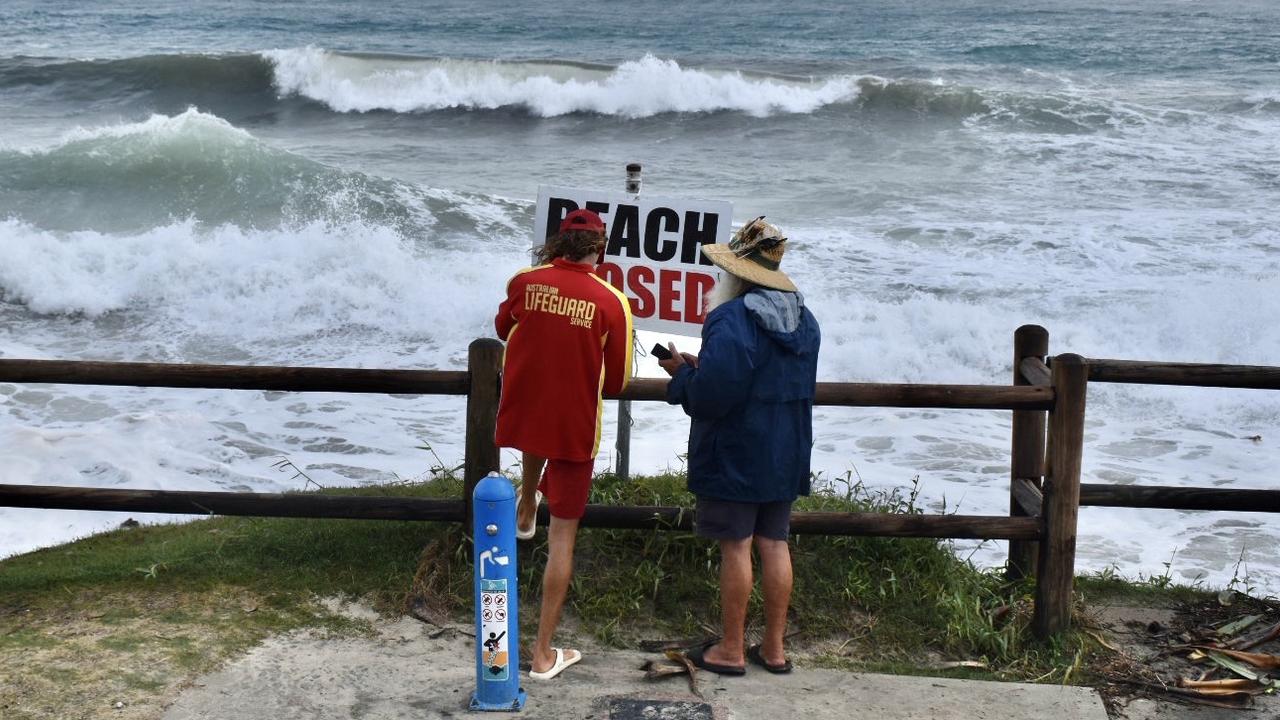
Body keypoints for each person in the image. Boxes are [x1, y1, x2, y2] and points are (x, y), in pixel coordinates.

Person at [659, 216, 820, 676]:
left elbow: (714, 396)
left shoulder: (730, 317)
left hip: (736, 451)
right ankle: (773, 649)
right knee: (774, 544)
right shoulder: (805, 321)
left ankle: (730, 649)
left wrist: (683, 375)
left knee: (736, 546)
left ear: (738, 273)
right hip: (786, 450)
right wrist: (703, 369)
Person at [493, 208, 633, 680]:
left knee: (537, 426)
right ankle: (542, 655)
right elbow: (616, 380)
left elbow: (501, 327)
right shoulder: (611, 301)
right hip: (575, 426)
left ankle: (527, 503)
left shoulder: (525, 280)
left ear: (557, 244)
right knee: (563, 541)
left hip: (529, 406)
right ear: (600, 247)